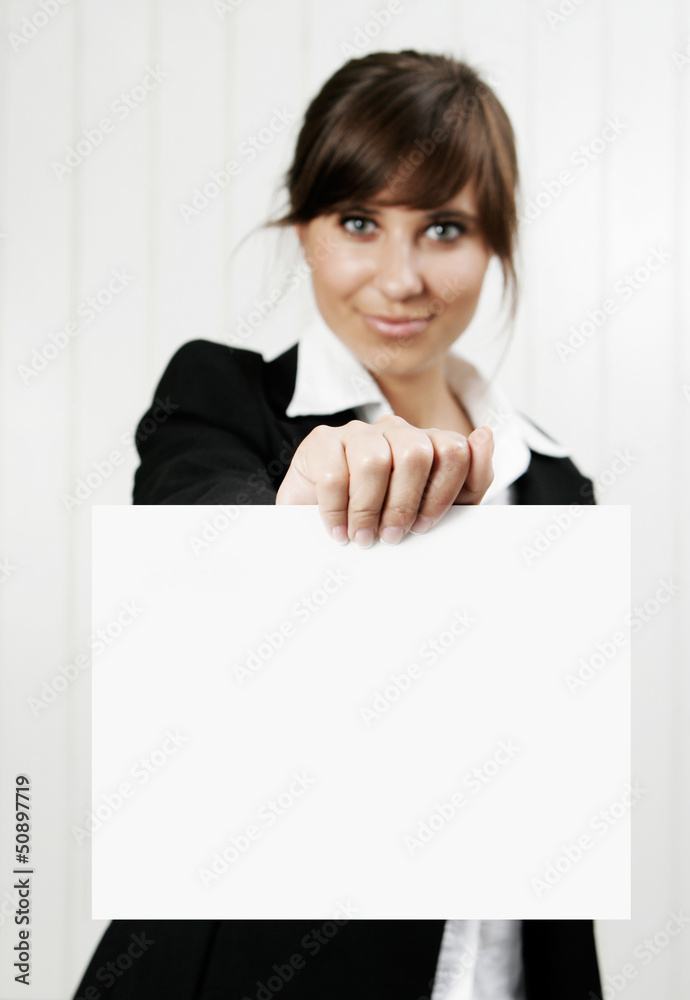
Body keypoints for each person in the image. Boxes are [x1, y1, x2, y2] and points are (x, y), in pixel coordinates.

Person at [74, 51, 601, 999]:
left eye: (445, 228)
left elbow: (550, 807)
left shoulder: (557, 486)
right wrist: (294, 513)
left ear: (496, 244)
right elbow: (202, 527)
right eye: (360, 222)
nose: (400, 278)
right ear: (304, 230)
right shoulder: (222, 399)